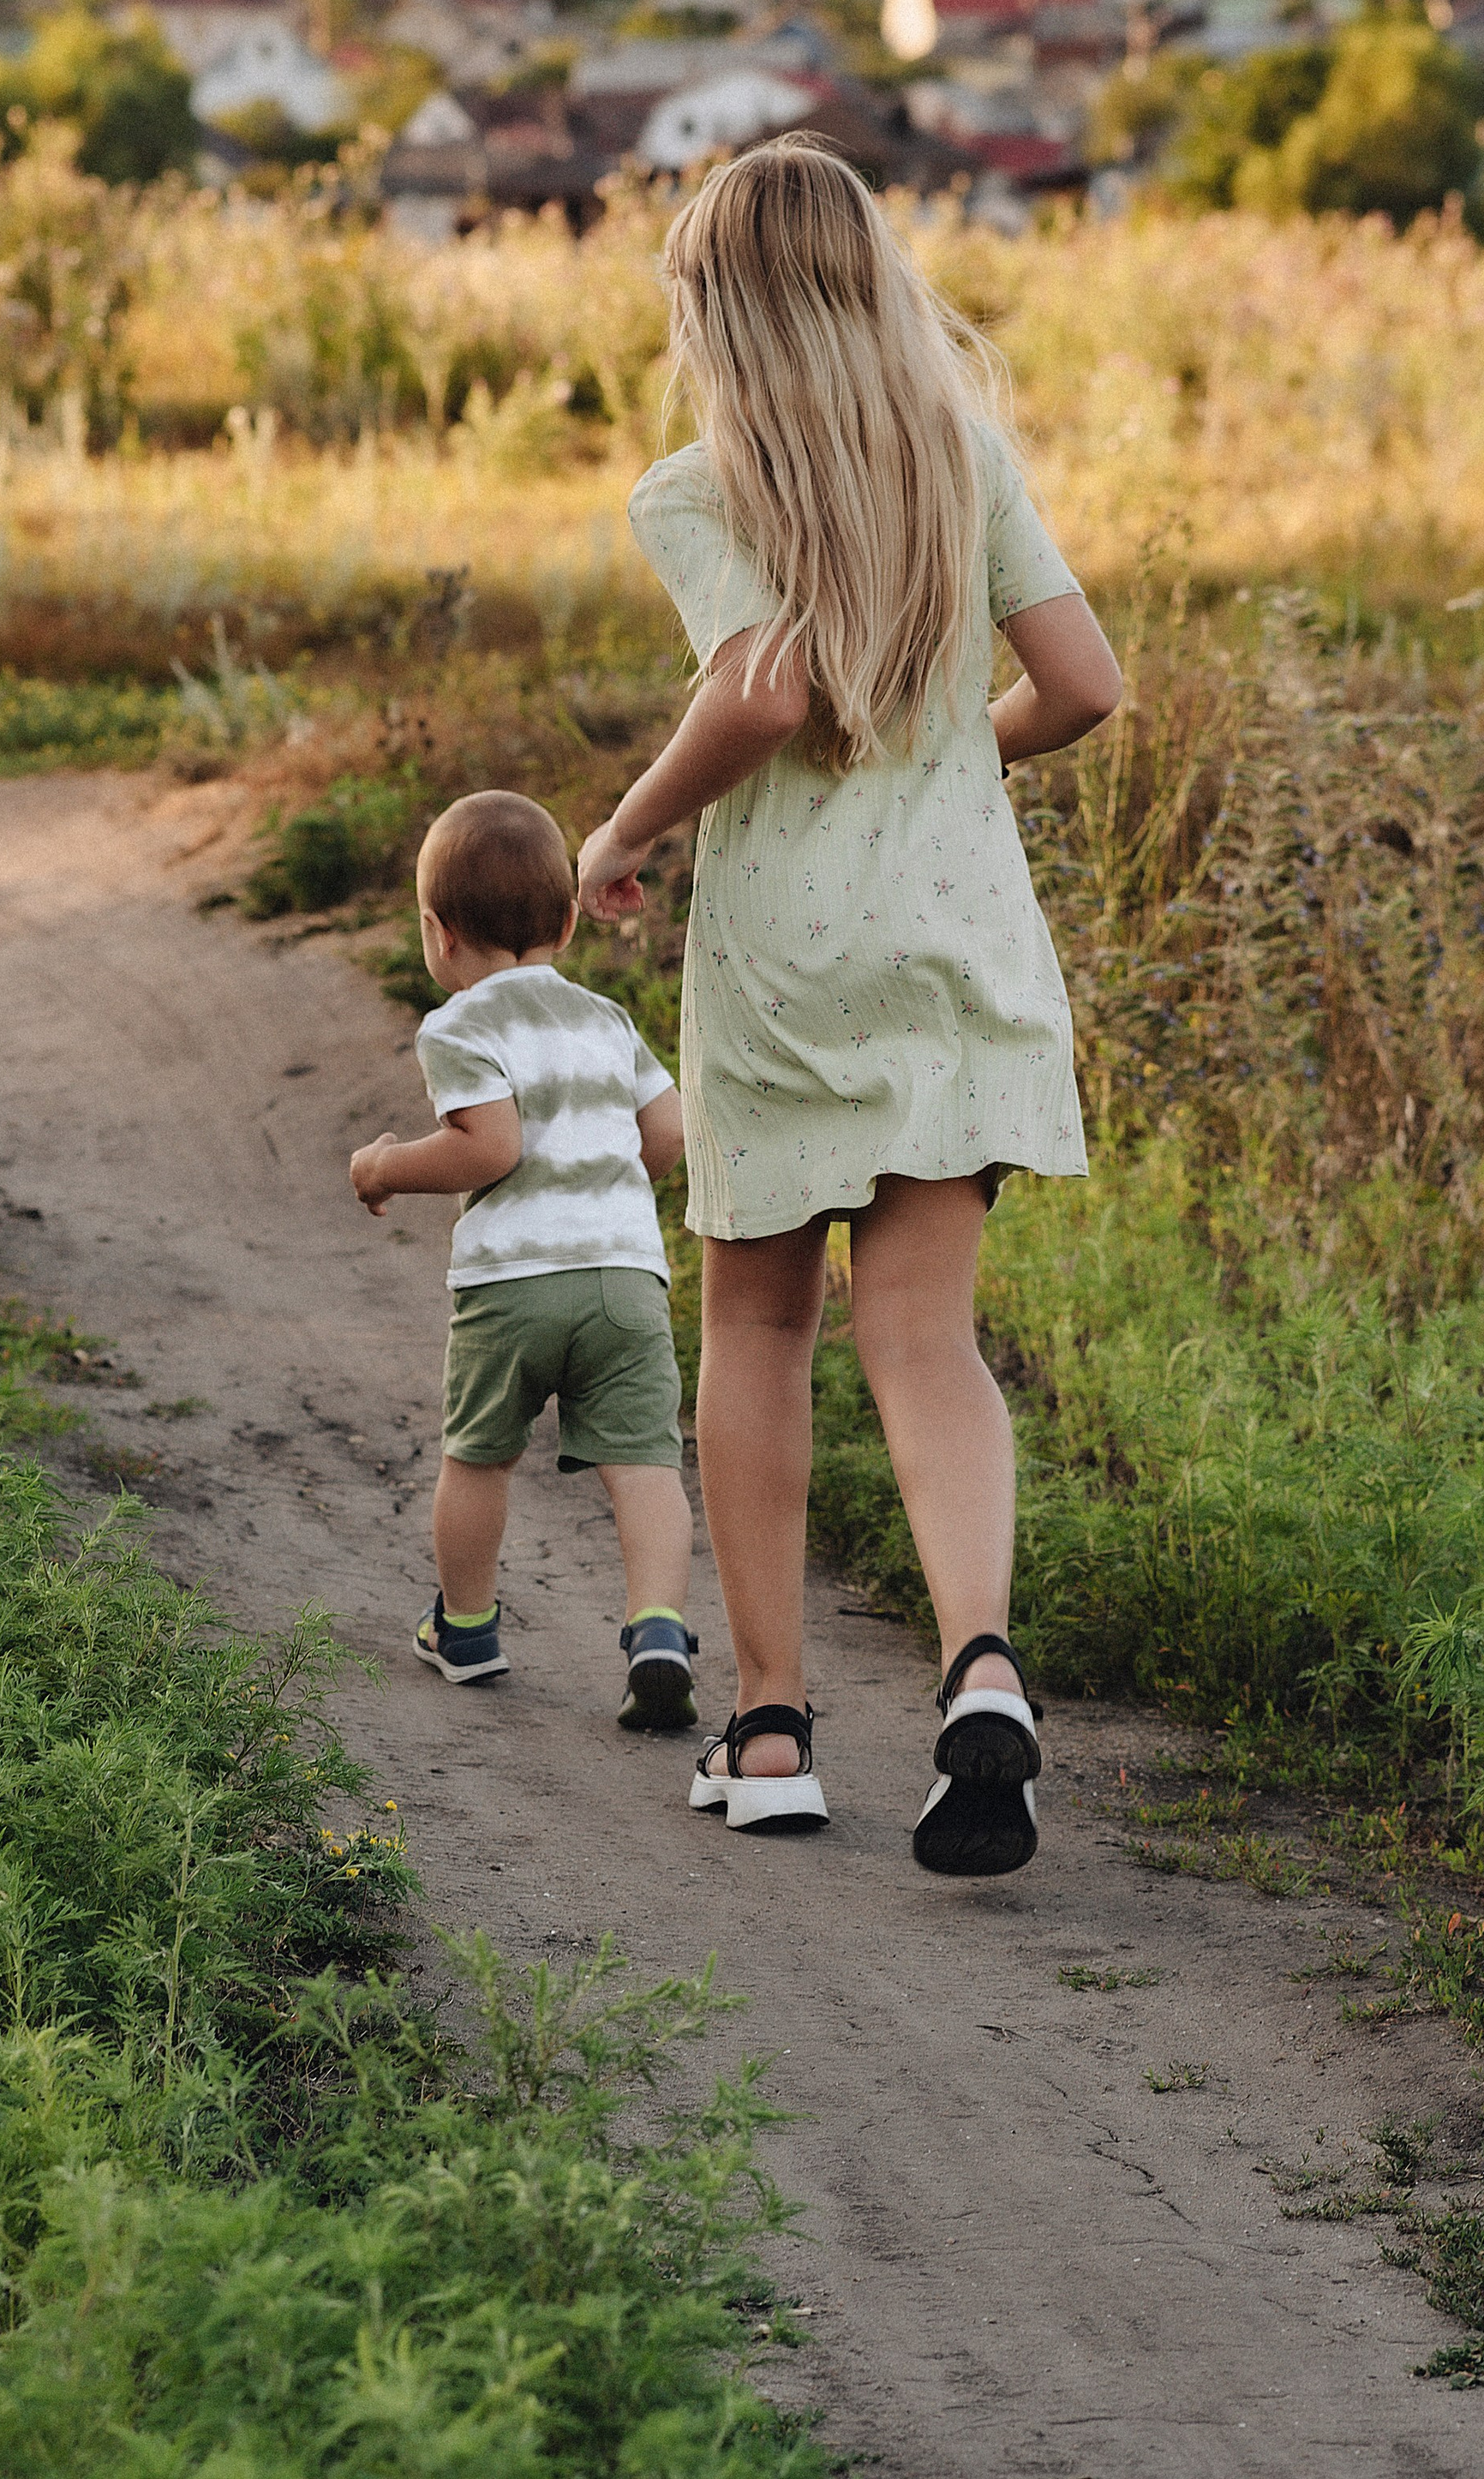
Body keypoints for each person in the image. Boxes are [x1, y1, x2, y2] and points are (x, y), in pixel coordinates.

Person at [577, 136, 1122, 1871]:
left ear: (715, 312)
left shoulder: (696, 486)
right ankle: (978, 1668)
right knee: (922, 1334)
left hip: (791, 957)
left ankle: (768, 1722)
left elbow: (764, 688)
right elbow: (1085, 686)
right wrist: (958, 750)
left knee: (756, 1328)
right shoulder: (961, 458)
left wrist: (624, 821)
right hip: (954, 936)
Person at [349, 791, 698, 1734]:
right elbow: (666, 1130)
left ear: (437, 932)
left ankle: (464, 1629)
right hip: (625, 1278)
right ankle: (659, 1630)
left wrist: (384, 1164)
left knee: (478, 1458)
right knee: (645, 1464)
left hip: (512, 1286)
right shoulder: (606, 1020)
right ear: (569, 918)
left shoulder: (459, 1023)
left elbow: (487, 1147)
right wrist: (615, 1195)